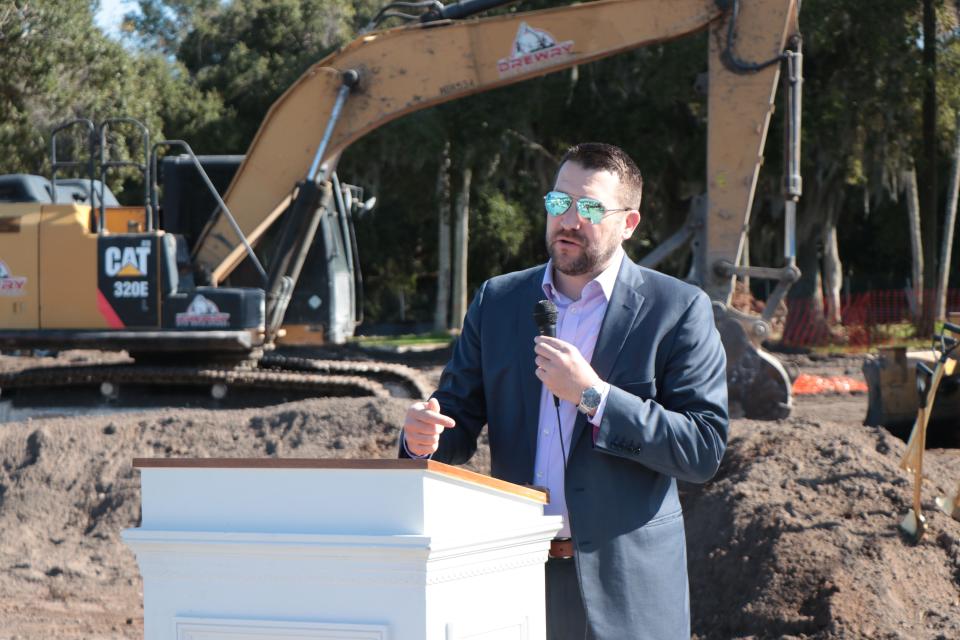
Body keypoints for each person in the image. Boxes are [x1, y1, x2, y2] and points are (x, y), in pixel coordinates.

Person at [401, 142, 728, 640]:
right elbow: (456, 420)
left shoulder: (677, 309)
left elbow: (702, 450)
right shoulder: (499, 300)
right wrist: (422, 437)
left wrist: (594, 395)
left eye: (591, 208)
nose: (569, 220)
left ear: (630, 222)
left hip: (630, 590)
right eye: (559, 203)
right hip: (519, 581)